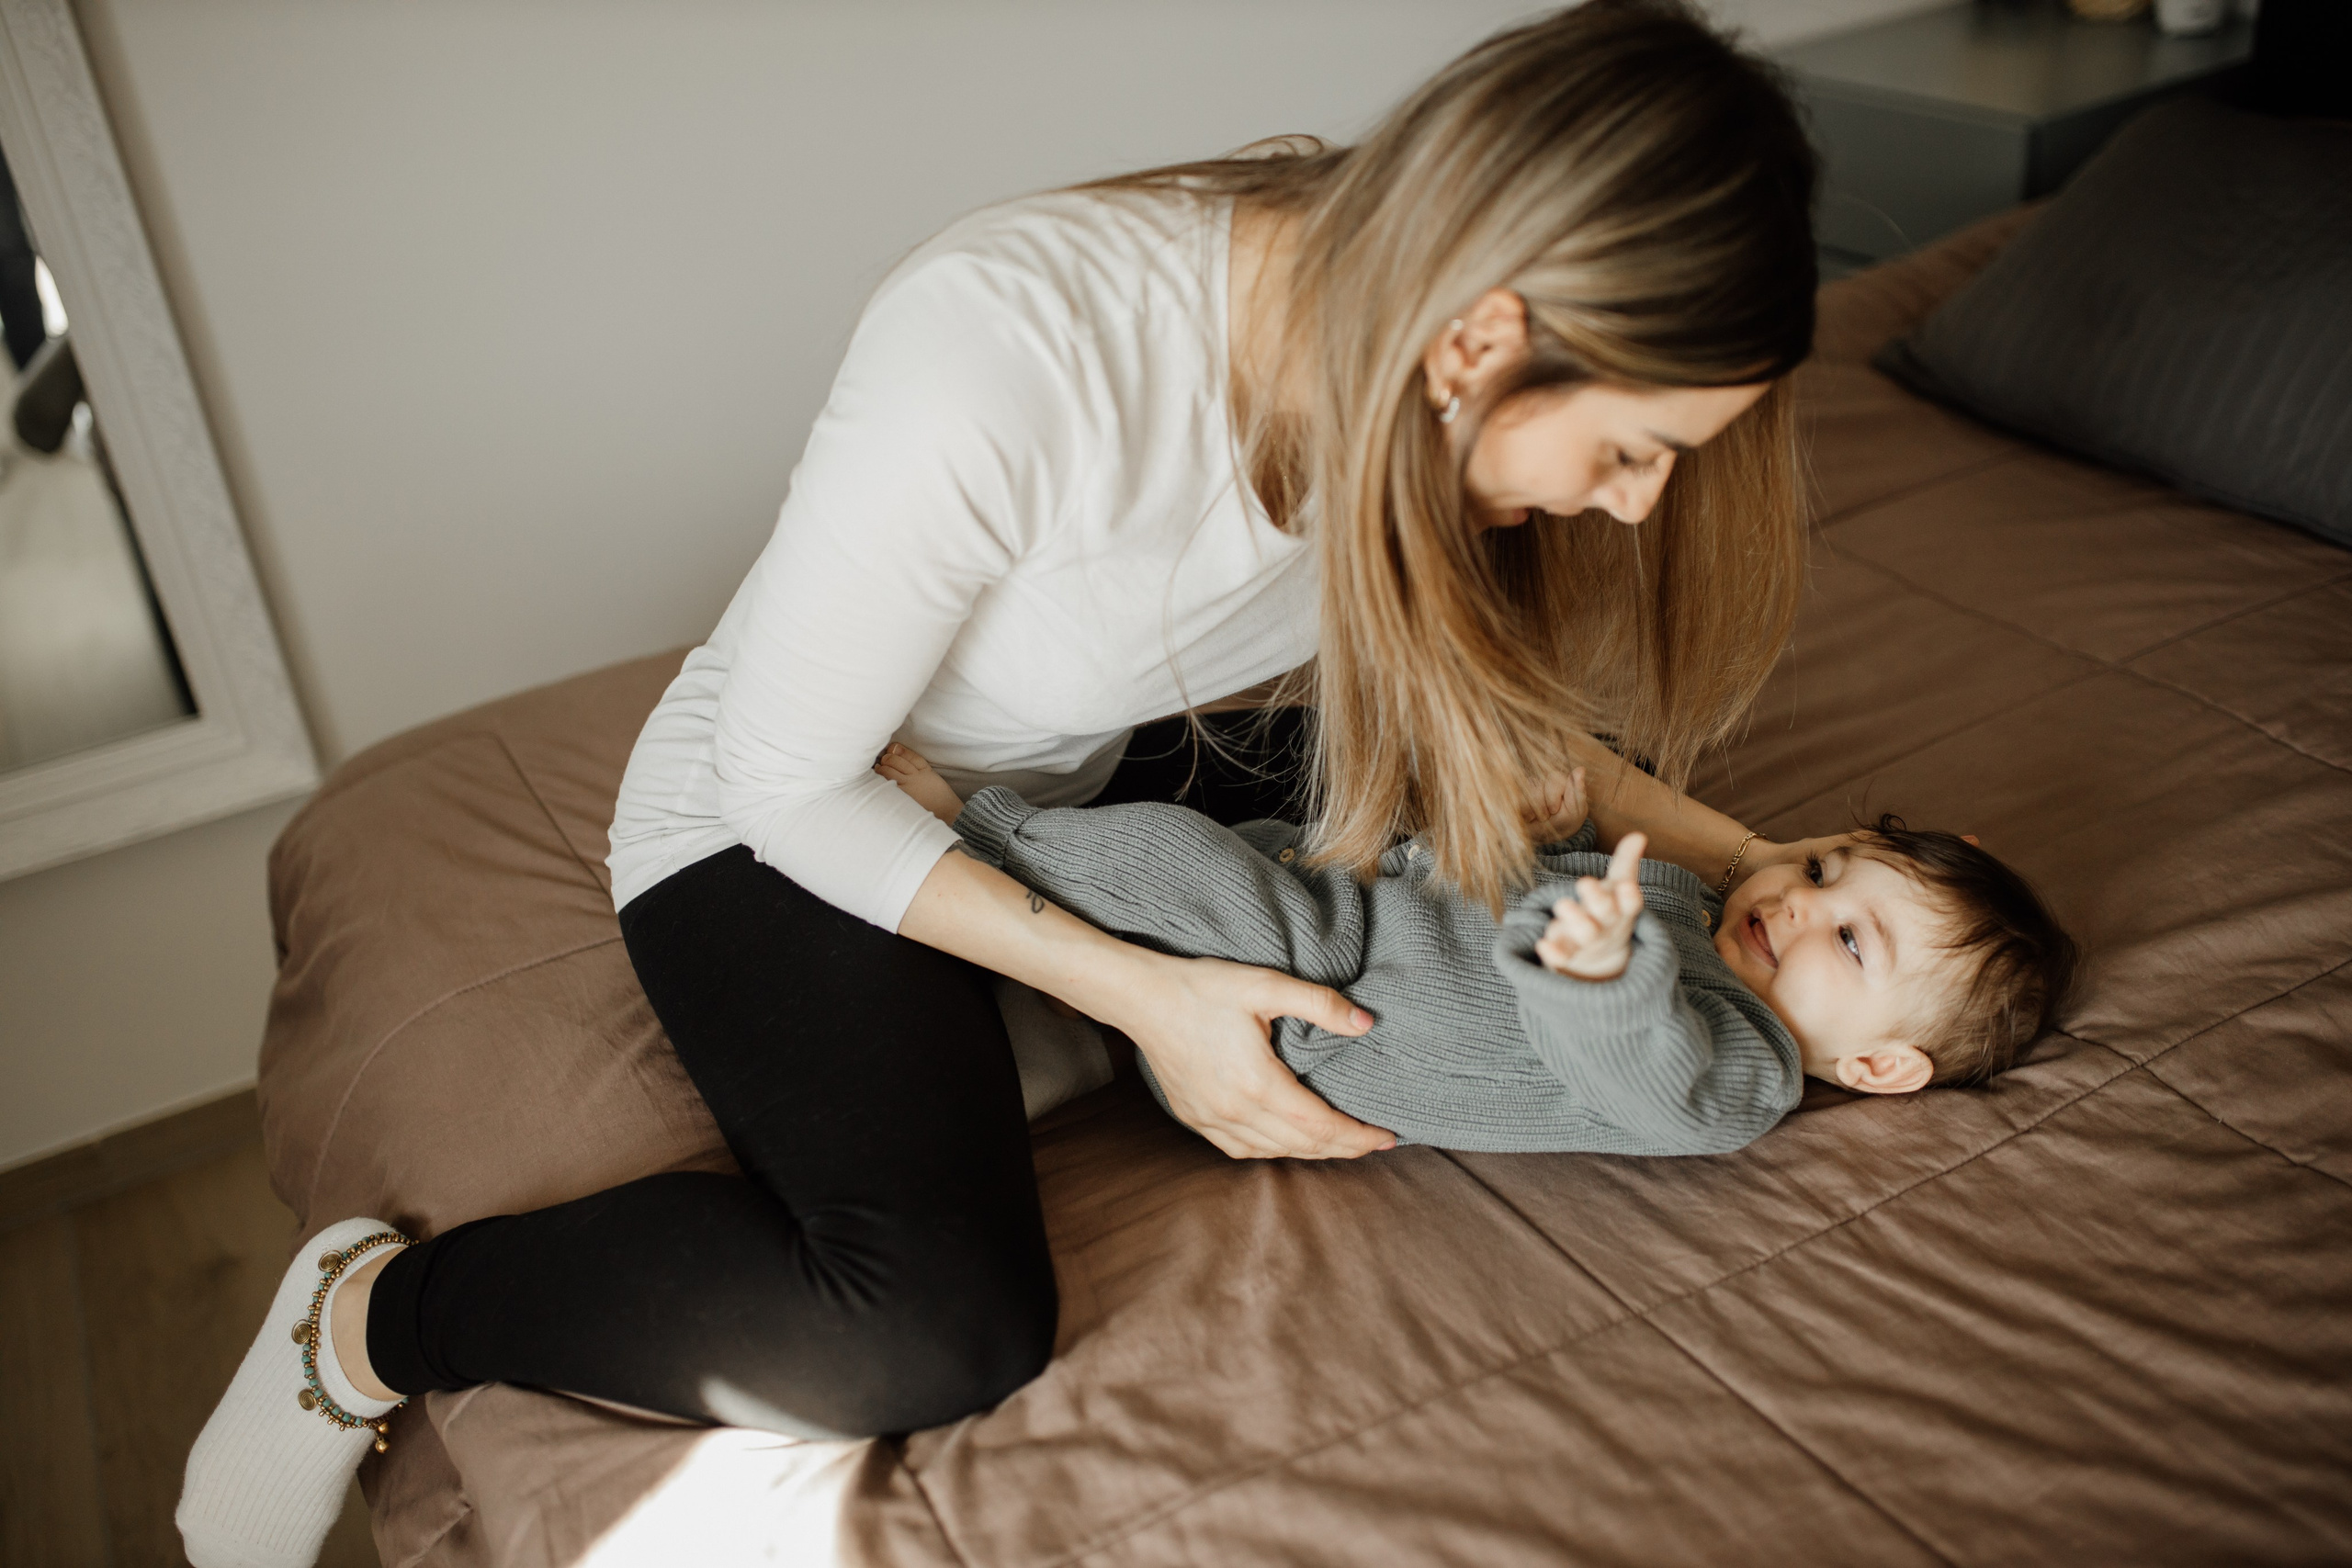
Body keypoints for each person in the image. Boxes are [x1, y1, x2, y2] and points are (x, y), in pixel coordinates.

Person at [180, 6, 1836, 1563]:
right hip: (788, 822)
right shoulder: (1010, 353)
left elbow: (1494, 735)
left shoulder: (1396, 337)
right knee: (931, 1328)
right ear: (1480, 341)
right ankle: (371, 1324)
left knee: (1515, 792)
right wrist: (1152, 999)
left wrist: (1767, 860)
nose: (1636, 507)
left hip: (1070, 772)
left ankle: (1049, 1001)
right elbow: (781, 779)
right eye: (1635, 450)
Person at [879, 743, 2078, 1153]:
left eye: (1853, 942)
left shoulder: (1748, 1079)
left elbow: (1639, 1069)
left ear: (1878, 1065)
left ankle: (974, 836)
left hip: (1327, 996)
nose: (1803, 905)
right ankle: (1063, 990)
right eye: (1820, 870)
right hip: (1354, 905)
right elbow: (1526, 891)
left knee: (1176, 860)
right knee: (1234, 855)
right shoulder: (1708, 921)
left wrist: (1603, 976)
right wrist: (1549, 836)